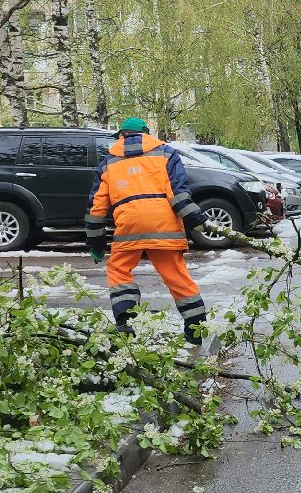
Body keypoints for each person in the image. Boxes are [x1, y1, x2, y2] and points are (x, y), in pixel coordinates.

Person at [84, 118, 210, 343]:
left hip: (129, 226)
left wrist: (95, 241)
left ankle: (126, 321)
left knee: (119, 269)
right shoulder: (165, 154)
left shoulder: (109, 163)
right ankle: (195, 330)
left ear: (122, 136)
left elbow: (97, 208)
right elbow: (178, 193)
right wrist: (196, 219)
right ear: (145, 133)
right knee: (176, 276)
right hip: (165, 227)